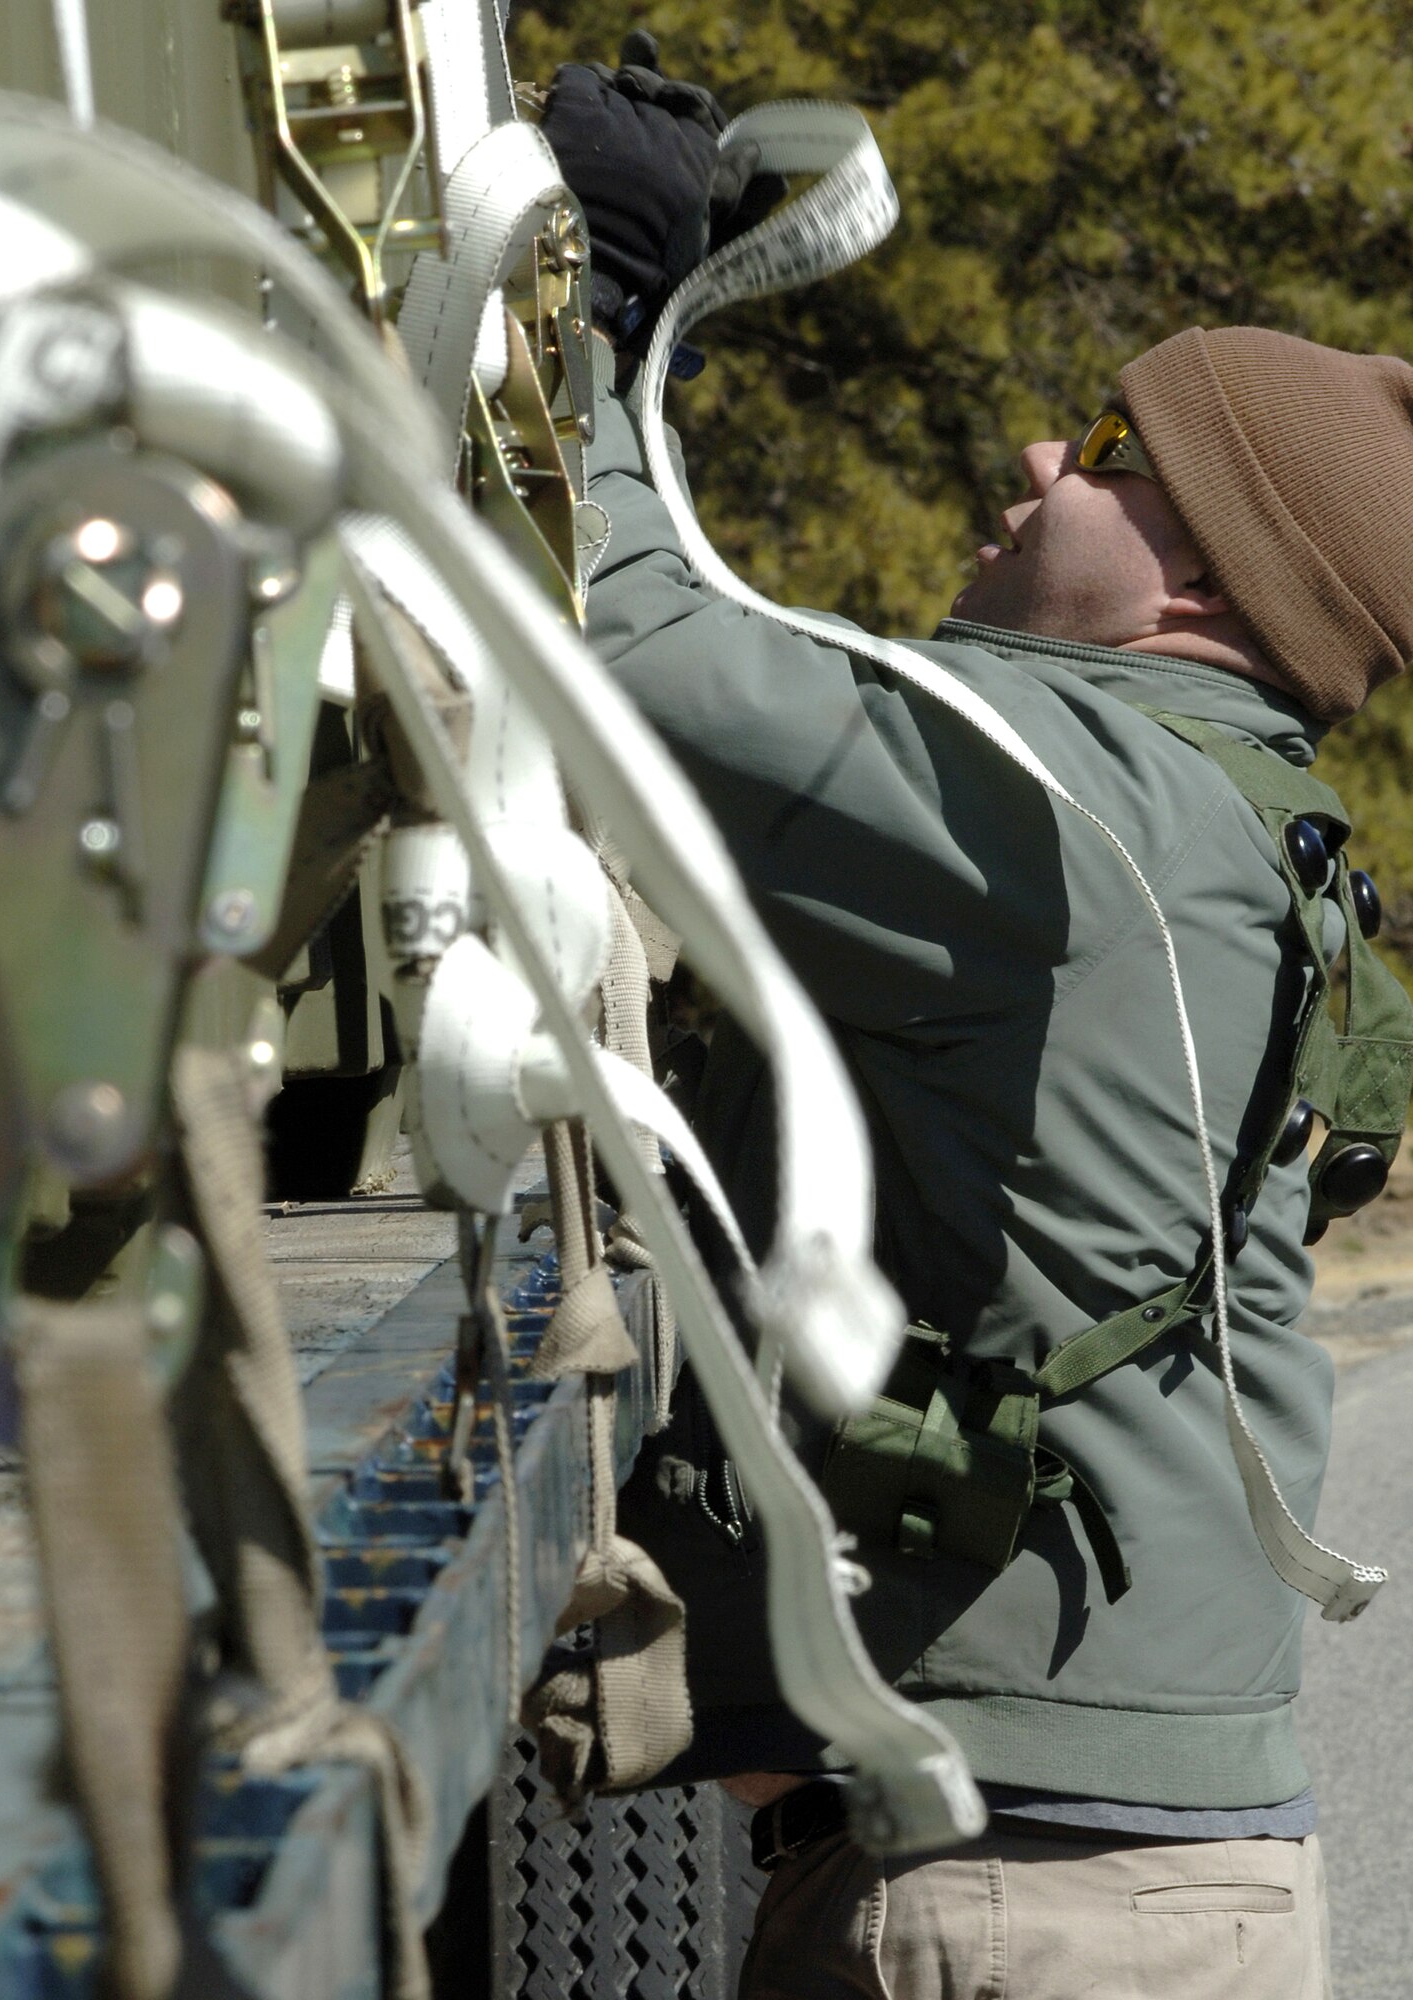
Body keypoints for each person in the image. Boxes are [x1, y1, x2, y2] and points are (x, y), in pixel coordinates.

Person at [541, 50, 1413, 2000]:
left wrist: (589, 323)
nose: (1033, 462)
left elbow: (617, 655)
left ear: (1208, 575)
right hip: (1133, 1885)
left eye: (1103, 449)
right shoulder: (1210, 814)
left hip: (1029, 1907)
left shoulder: (1062, 797)